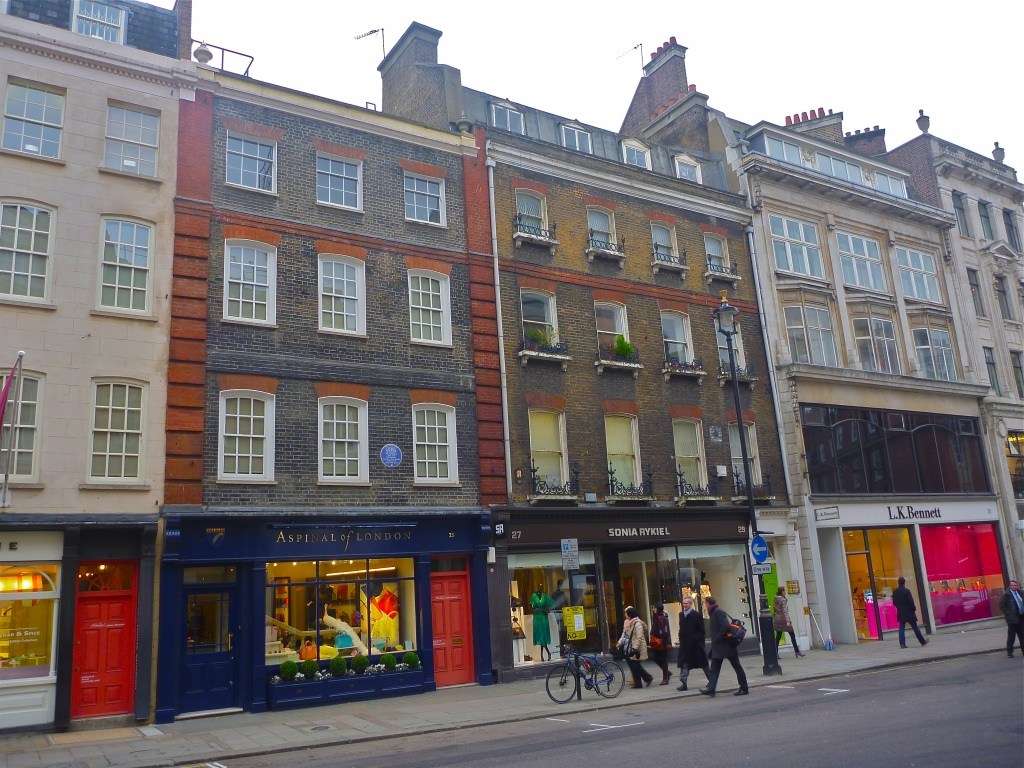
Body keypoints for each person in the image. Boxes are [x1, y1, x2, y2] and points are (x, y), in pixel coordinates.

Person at [699, 597, 748, 697]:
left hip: (726, 645)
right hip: (719, 647)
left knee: (736, 666)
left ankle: (744, 687)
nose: (705, 605)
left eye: (705, 603)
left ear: (708, 603)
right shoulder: (713, 612)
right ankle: (711, 689)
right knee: (714, 668)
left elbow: (725, 626)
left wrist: (717, 637)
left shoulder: (718, 612)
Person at [676, 595, 710, 691]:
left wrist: (697, 640)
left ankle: (712, 680)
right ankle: (684, 683)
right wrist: (680, 638)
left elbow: (701, 630)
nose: (684, 605)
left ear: (690, 604)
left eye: (686, 603)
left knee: (703, 664)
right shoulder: (681, 615)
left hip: (695, 645)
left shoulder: (696, 615)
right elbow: (681, 628)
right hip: (685, 645)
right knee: (684, 664)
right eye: (683, 603)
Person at [620, 605, 653, 688]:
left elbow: (639, 637)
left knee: (635, 666)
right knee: (634, 666)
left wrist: (635, 648)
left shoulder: (637, 623)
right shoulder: (630, 622)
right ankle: (641, 681)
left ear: (630, 614)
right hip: (631, 646)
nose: (625, 615)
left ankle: (646, 679)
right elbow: (625, 634)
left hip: (636, 648)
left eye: (626, 613)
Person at [892, 576, 927, 648]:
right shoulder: (907, 591)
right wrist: (913, 608)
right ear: (904, 583)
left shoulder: (895, 592)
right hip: (909, 612)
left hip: (901, 612)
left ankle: (902, 644)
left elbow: (894, 602)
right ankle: (922, 641)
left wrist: (899, 607)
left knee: (901, 628)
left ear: (898, 583)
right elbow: (911, 601)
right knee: (915, 627)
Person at [773, 587, 804, 657]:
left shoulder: (775, 599)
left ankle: (775, 653)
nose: (785, 592)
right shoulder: (783, 600)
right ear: (782, 592)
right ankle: (797, 652)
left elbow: (774, 610)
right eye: (784, 591)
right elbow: (785, 611)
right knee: (792, 635)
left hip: (778, 619)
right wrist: (788, 621)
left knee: (778, 636)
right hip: (784, 619)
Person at [1000, 579, 1024, 658]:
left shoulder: (1021, 593)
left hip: (1021, 617)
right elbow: (1002, 606)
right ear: (1010, 586)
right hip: (1012, 619)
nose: (1014, 586)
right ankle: (1009, 652)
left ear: (1017, 586)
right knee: (1011, 636)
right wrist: (1008, 615)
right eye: (1012, 585)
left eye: (1015, 585)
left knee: (1022, 635)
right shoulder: (1006, 595)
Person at [649, 604, 672, 685]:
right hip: (658, 641)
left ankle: (665, 678)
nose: (653, 609)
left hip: (661, 641)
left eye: (654, 608)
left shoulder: (662, 618)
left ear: (657, 609)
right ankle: (667, 673)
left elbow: (665, 631)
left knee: (663, 659)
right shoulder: (657, 617)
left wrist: (667, 642)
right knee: (656, 658)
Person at [530, 585, 554, 662]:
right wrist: (536, 609)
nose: (539, 589)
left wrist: (546, 610)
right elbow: (532, 606)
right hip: (537, 618)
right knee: (540, 636)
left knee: (543, 636)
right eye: (538, 587)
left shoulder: (545, 596)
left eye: (541, 587)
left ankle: (543, 655)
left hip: (543, 618)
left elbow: (551, 605)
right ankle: (547, 654)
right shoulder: (533, 596)